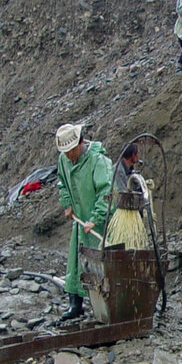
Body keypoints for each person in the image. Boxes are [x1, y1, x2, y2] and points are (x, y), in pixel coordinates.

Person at [55, 123, 113, 321]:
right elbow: (62, 181)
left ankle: (107, 305)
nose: (69, 155)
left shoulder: (98, 161)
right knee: (76, 262)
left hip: (101, 222)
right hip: (80, 222)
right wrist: (67, 203)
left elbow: (107, 193)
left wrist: (95, 219)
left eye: (72, 151)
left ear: (81, 143)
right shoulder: (64, 160)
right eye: (66, 152)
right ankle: (75, 304)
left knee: (102, 263)